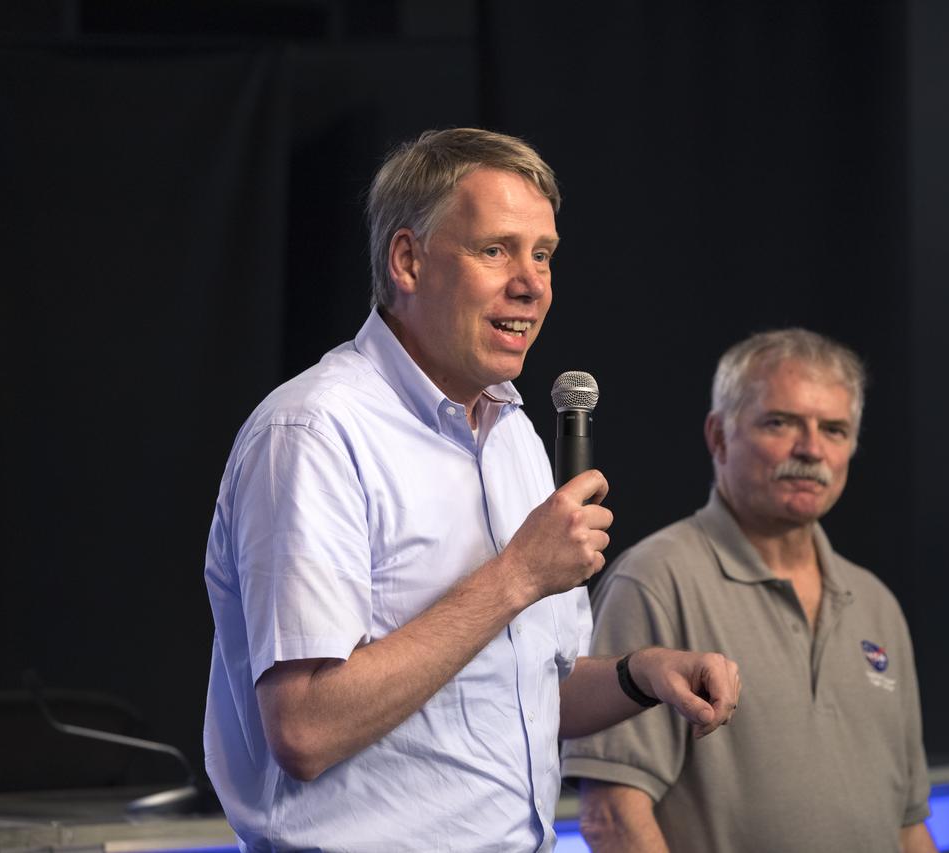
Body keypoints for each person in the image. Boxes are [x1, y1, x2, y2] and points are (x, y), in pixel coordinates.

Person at [201, 128, 740, 852]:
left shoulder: (512, 431)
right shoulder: (314, 432)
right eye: (496, 250)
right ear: (407, 260)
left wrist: (642, 674)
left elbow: (525, 695)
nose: (532, 282)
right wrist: (516, 575)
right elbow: (304, 727)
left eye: (543, 254)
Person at [562, 329, 937, 853]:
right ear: (719, 436)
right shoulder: (656, 579)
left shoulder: (875, 602)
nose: (810, 450)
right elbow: (613, 817)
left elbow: (908, 824)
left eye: (833, 429)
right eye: (780, 423)